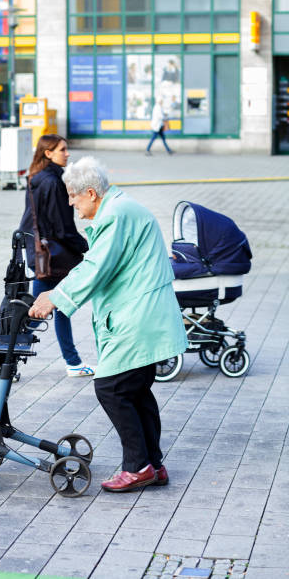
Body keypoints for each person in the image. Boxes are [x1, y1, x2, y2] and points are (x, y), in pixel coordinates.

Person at [28, 157, 188, 493]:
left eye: (73, 196)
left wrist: (54, 297)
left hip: (139, 317)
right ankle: (152, 465)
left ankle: (139, 467)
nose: (71, 203)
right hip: (142, 315)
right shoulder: (119, 209)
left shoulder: (117, 214)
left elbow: (97, 267)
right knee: (135, 391)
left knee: (111, 388)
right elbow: (98, 264)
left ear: (90, 192)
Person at [18, 134, 94, 377]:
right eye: (62, 149)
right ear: (48, 153)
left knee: (52, 306)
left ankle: (71, 362)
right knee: (40, 310)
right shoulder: (52, 182)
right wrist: (86, 246)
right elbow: (62, 227)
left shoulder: (36, 177)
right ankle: (5, 362)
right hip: (53, 255)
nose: (67, 153)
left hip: (41, 252)